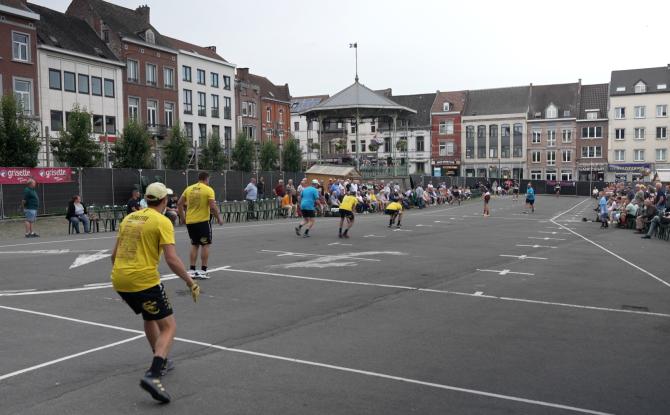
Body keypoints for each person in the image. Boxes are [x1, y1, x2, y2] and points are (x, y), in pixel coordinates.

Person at [111, 182, 200, 404]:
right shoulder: (162, 221)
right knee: (169, 326)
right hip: (144, 281)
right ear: (164, 201)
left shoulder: (129, 218)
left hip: (120, 278)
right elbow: (171, 258)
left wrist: (123, 284)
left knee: (149, 316)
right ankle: (154, 373)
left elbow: (114, 255)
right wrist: (190, 282)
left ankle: (159, 357)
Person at [178, 171, 223, 279]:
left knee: (194, 244)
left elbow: (179, 203)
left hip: (190, 221)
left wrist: (183, 217)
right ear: (207, 179)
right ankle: (203, 270)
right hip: (202, 221)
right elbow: (212, 206)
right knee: (205, 244)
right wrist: (219, 218)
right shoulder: (208, 189)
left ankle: (192, 270)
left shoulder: (189, 189)